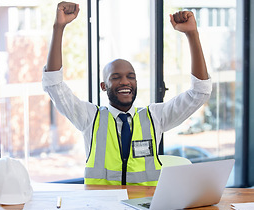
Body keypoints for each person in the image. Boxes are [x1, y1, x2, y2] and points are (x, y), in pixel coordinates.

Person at [42, 2, 212, 186]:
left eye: (131, 76)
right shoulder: (90, 118)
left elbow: (199, 92)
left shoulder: (155, 116)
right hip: (102, 207)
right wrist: (58, 27)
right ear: (103, 86)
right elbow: (54, 86)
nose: (125, 81)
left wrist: (192, 34)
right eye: (115, 77)